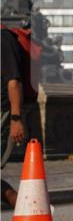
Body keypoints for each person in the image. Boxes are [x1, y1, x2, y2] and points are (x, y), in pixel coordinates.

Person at [1, 27, 30, 210]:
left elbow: (14, 81)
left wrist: (16, 118)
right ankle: (28, 210)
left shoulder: (3, 39)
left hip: (3, 112)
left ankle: (28, 210)